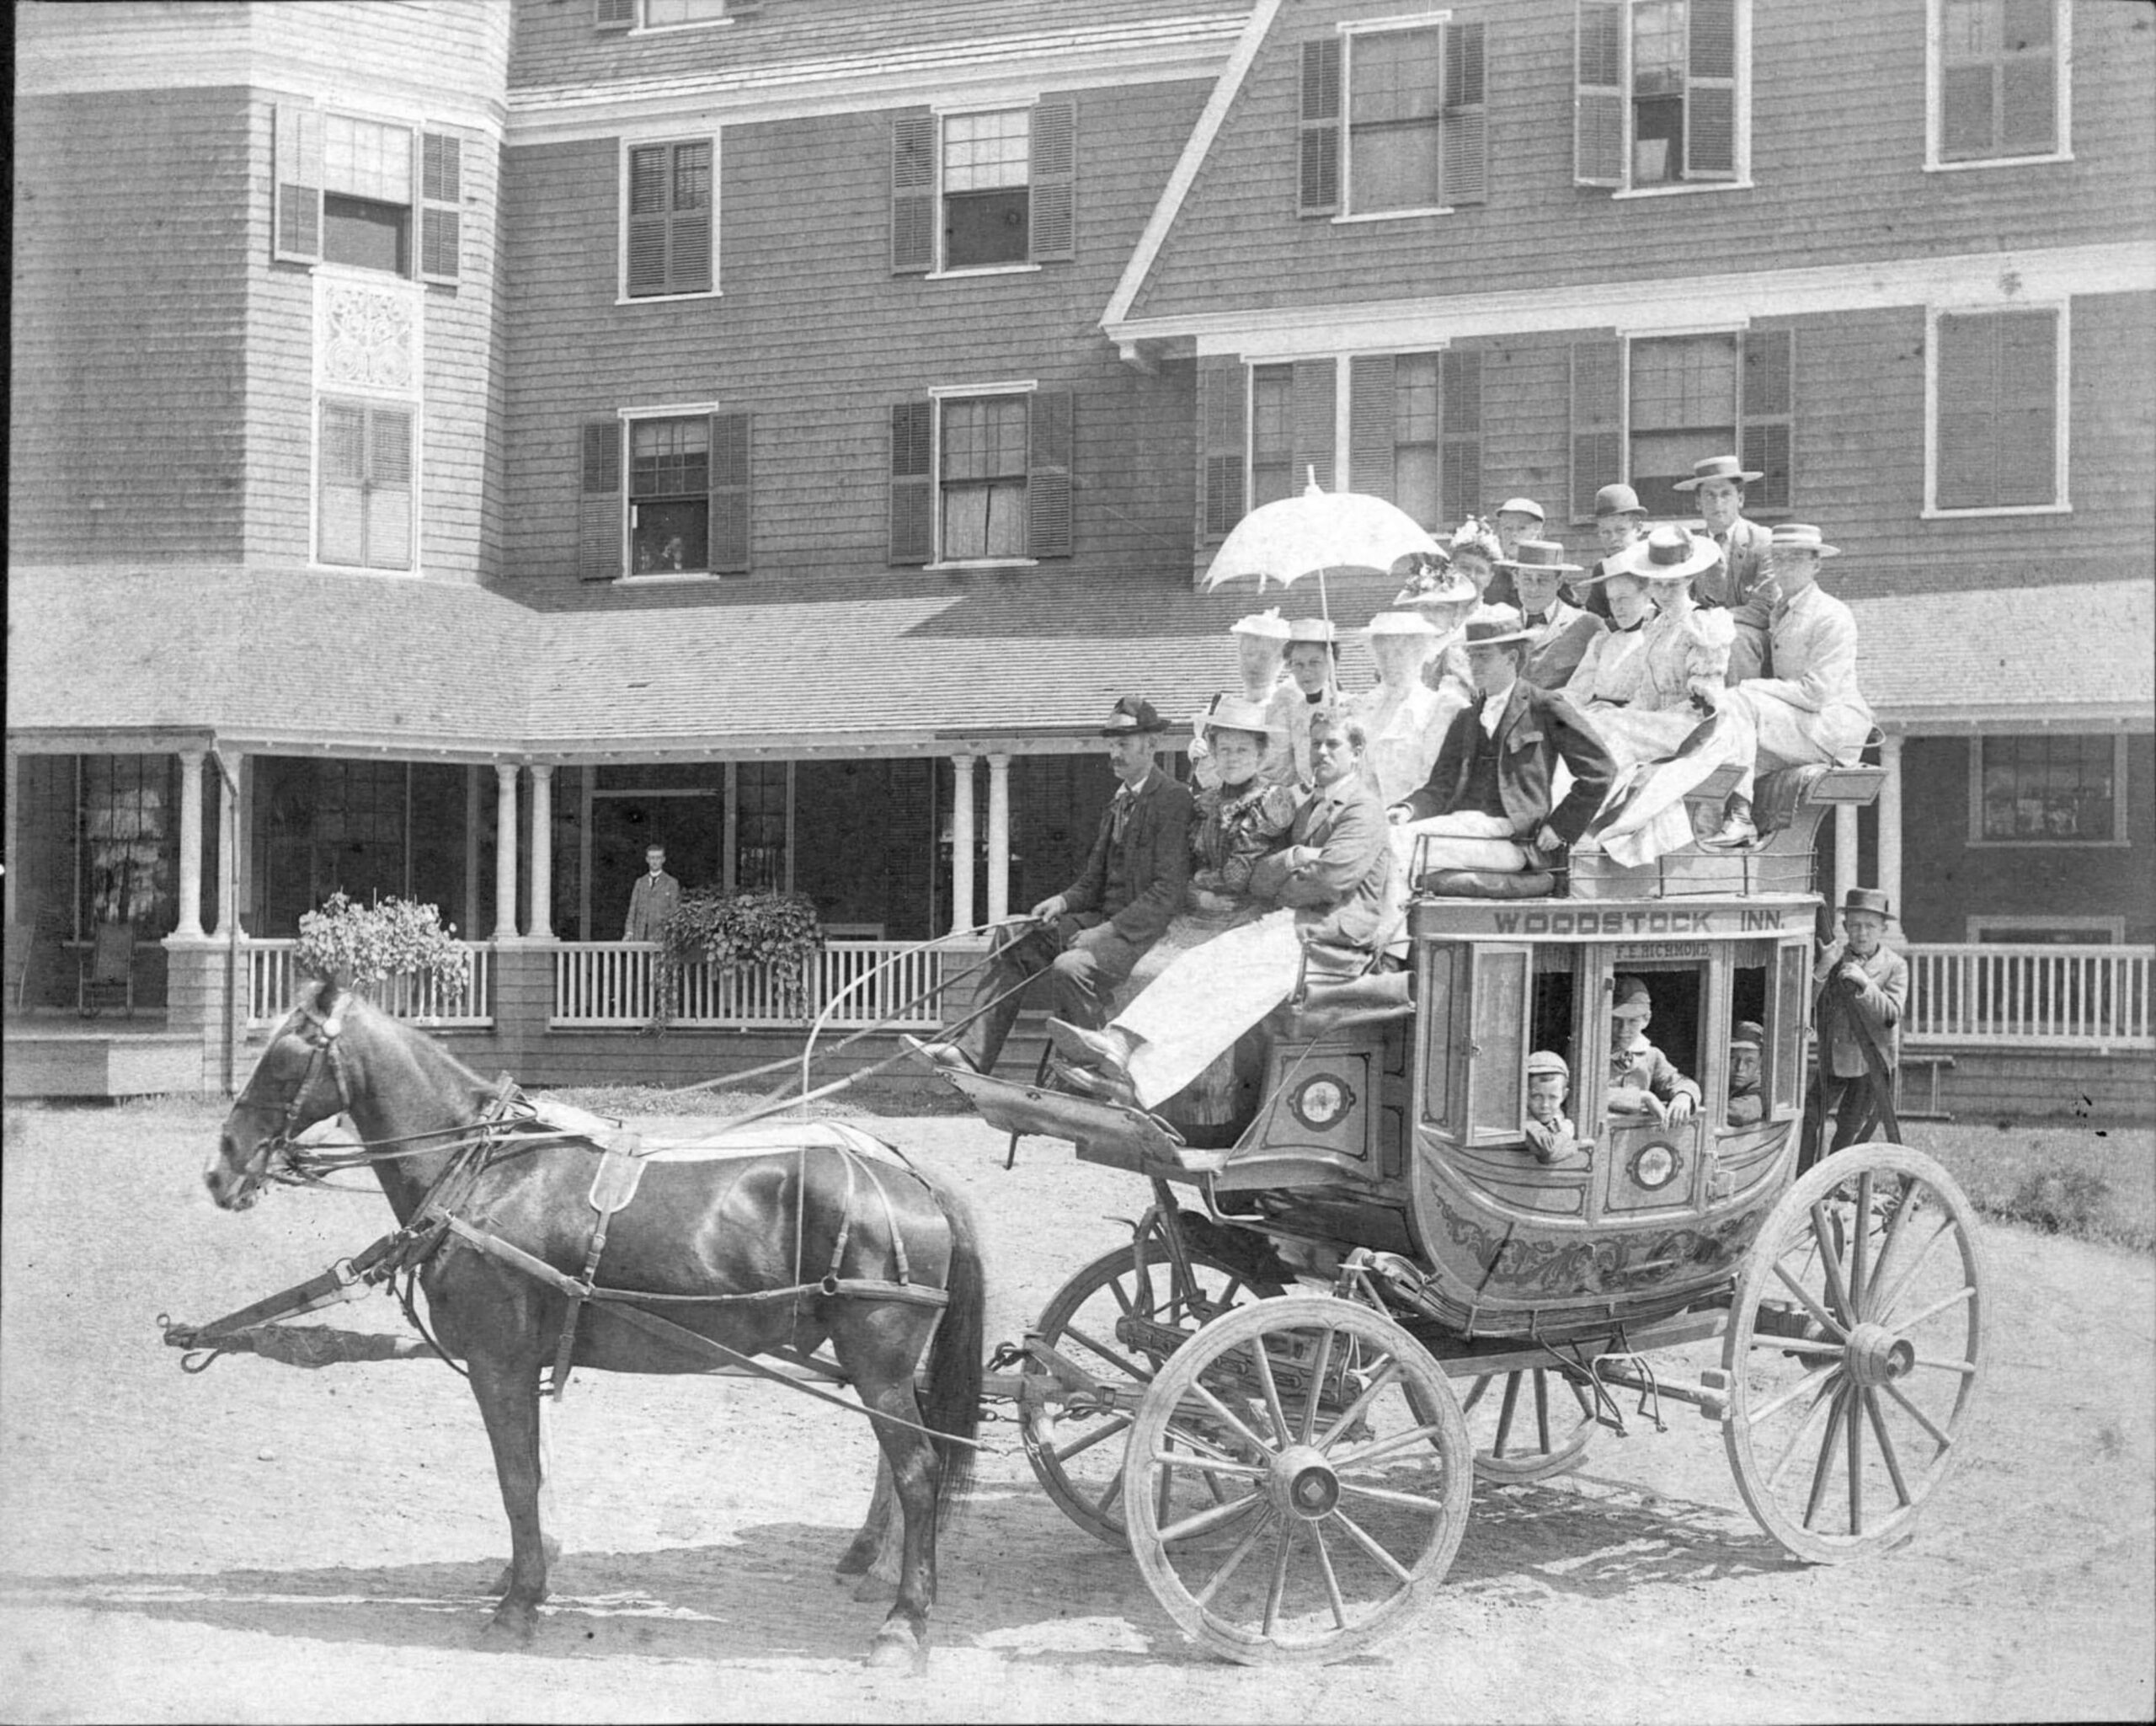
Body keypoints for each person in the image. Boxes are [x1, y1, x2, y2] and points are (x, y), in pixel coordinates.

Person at [1047, 708, 1390, 1112]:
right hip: (1292, 924)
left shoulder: (1361, 808)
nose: (1321, 753)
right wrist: (1295, 860)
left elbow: (1328, 881)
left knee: (1218, 980)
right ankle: (1123, 1054)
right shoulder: (1312, 805)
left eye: (1333, 744)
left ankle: (1140, 1077)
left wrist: (1286, 874)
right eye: (1316, 743)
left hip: (1334, 937)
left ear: (1358, 751)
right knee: (1201, 969)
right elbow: (1264, 879)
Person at [910, 697, 1192, 1077]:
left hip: (1141, 936)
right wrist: (1061, 901)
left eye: (1124, 744)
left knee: (1068, 967)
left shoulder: (1172, 799)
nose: (1114, 753)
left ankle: (1096, 1070)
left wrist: (1103, 933)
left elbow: (1166, 891)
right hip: (1102, 924)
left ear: (1151, 745)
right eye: (1111, 744)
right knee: (1013, 932)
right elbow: (1093, 882)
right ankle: (972, 1055)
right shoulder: (1118, 804)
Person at [1568, 526, 1754, 867]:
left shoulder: (1705, 623)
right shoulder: (1656, 628)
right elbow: (1646, 697)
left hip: (1698, 728)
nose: (1665, 593)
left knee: (1611, 729)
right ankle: (1575, 820)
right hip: (1664, 722)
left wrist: (1632, 722)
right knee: (1598, 724)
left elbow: (1707, 701)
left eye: (1673, 584)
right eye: (1658, 584)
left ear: (1689, 581)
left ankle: (1596, 831)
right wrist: (1628, 717)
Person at [1390, 605, 1617, 876]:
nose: (1474, 666)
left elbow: (1601, 770)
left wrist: (1560, 827)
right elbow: (1441, 786)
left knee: (1397, 846)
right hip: (1464, 827)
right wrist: (1407, 809)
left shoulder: (1544, 707)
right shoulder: (1466, 718)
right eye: (1471, 656)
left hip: (1515, 839)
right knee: (1387, 840)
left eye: (1483, 657)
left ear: (1511, 658)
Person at [1703, 523, 1874, 848]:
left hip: (1831, 726)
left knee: (1739, 702)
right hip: (1800, 725)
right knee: (1714, 749)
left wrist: (1751, 688)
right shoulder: (1780, 611)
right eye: (1779, 559)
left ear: (1816, 564)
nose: (1785, 567)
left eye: (1796, 559)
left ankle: (1740, 819)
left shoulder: (1832, 615)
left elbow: (1816, 694)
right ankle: (1707, 853)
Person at [1806, 888, 1908, 1162]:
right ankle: (1802, 1181)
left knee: (1849, 1129)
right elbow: (1808, 1006)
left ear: (1883, 929)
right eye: (1855, 926)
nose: (1862, 933)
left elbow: (1890, 1016)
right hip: (1833, 1060)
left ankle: (1831, 1187)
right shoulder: (1835, 959)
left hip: (1870, 1062)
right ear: (1844, 927)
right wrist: (1822, 969)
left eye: (1870, 926)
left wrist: (1865, 984)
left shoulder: (1895, 966)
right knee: (1808, 1117)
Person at [1673, 453, 1775, 682]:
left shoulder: (1762, 541)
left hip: (1747, 637)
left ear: (1740, 499)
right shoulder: (1691, 549)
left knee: (1735, 642)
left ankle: (1737, 712)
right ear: (1698, 501)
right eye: (1709, 495)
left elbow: (1765, 607)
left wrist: (1716, 621)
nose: (1718, 504)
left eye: (1725, 494)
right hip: (1701, 634)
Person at [1349, 612, 1457, 808]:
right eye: (1383, 654)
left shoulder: (1439, 709)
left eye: (1399, 653)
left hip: (1413, 820)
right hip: (1366, 817)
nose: (1389, 662)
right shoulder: (1365, 708)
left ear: (1420, 653)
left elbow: (1432, 782)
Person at [1189, 609, 1299, 789]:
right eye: (1248, 654)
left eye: (1264, 656)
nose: (1254, 663)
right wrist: (1198, 755)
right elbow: (1210, 781)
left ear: (1282, 661)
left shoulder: (1292, 710)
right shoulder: (1218, 712)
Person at [1505, 540, 1606, 689]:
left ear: (1559, 582)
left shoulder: (1587, 625)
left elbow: (1603, 682)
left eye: (1543, 580)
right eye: (1527, 579)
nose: (1534, 588)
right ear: (1516, 580)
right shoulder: (1504, 629)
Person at [1606, 975, 1700, 1124]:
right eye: (1615, 1020)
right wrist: (1643, 1097)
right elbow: (1585, 1094)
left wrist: (1684, 1095)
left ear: (1646, 1020)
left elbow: (1679, 1082)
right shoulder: (1590, 1052)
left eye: (1633, 1021)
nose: (1623, 1030)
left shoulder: (1652, 1055)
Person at [1390, 553, 1478, 706]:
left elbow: (1456, 704)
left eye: (1440, 608)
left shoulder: (1456, 649)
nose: (1430, 615)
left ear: (1455, 612)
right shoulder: (1409, 648)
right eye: (1424, 607)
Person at [1567, 482, 1648, 623]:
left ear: (1639, 529)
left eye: (1620, 530)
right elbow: (1596, 618)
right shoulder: (1603, 570)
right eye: (1606, 532)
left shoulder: (1653, 563)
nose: (1613, 539)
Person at [1281, 617, 1343, 785]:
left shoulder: (1347, 707)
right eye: (1298, 664)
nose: (1306, 672)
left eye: (1314, 663)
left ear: (1332, 663)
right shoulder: (1295, 711)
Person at [1524, 1050, 1589, 1164]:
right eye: (1537, 1097)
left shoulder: (1557, 1116)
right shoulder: (1527, 1121)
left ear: (1564, 1095)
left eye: (1553, 1097)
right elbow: (1549, 1153)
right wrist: (1566, 1135)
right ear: (1524, 1094)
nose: (1545, 1105)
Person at [622, 844, 680, 943]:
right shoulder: (640, 882)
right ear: (647, 860)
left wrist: (671, 934)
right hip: (639, 936)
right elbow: (632, 910)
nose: (654, 861)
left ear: (663, 860)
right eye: (652, 858)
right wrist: (629, 932)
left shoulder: (671, 883)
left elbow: (675, 912)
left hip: (661, 938)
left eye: (658, 858)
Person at [1726, 1021, 1766, 1127]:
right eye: (1733, 1058)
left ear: (1760, 1063)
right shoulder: (1728, 1085)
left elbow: (1739, 1113)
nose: (1740, 1068)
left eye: (1749, 1061)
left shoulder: (1760, 1090)